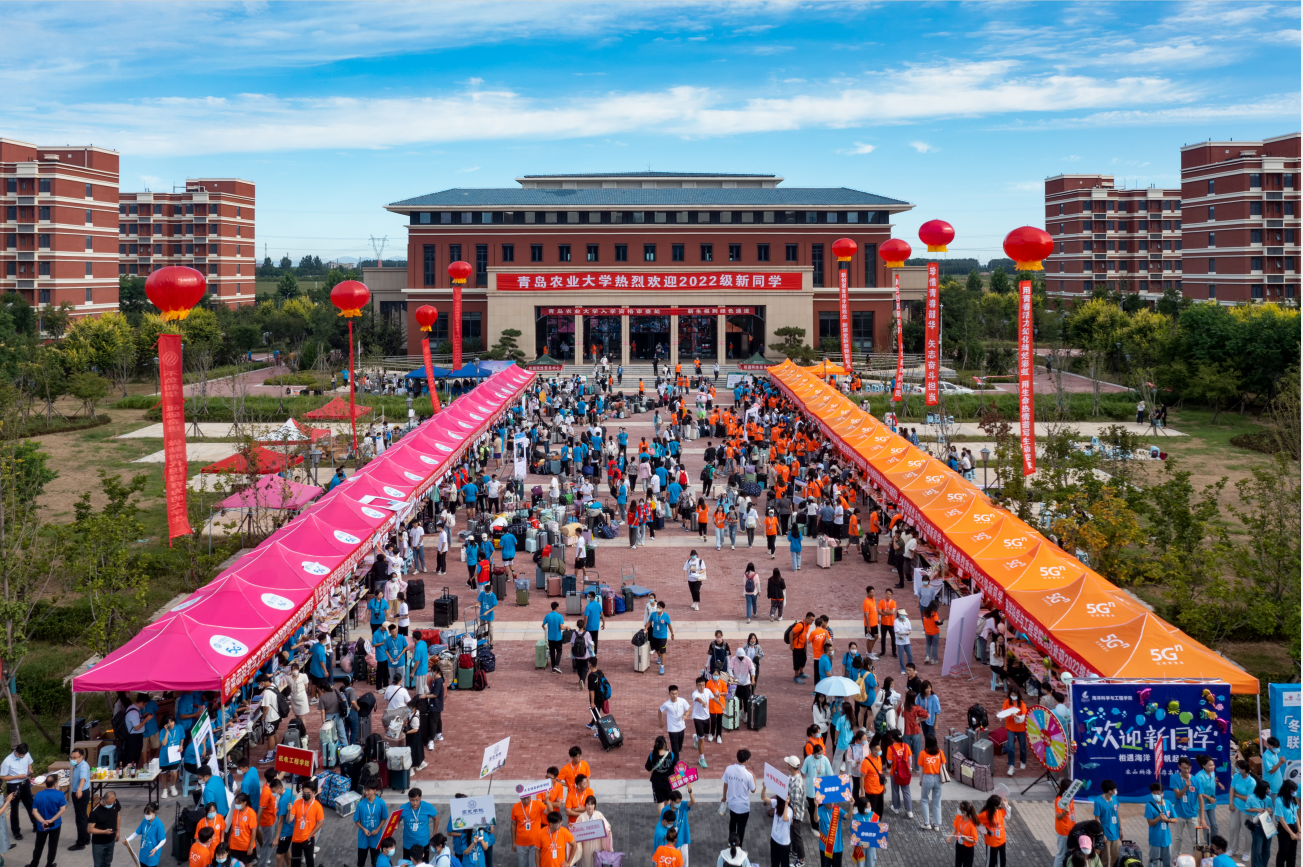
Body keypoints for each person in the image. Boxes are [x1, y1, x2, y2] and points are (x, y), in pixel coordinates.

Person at [29, 774, 66, 867]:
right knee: (53, 846)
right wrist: (51, 820)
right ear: (56, 784)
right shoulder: (60, 794)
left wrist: (43, 821)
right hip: (55, 824)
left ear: (46, 783)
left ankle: (34, 864)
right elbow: (62, 810)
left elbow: (34, 811)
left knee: (38, 845)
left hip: (41, 826)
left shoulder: (38, 795)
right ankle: (49, 864)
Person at [721, 751, 756, 848]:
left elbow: (725, 784)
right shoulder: (748, 775)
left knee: (732, 823)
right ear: (746, 761)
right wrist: (754, 777)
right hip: (743, 807)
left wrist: (724, 797)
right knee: (741, 828)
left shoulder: (729, 769)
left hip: (732, 804)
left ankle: (731, 842)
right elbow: (753, 790)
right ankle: (738, 847)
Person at [1171, 756, 1200, 857]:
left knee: (1196, 839)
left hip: (1192, 814)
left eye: (1188, 768)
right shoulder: (1174, 778)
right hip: (1179, 813)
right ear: (1179, 766)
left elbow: (1200, 798)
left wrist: (1202, 818)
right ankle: (1177, 857)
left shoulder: (1196, 780)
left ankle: (1196, 858)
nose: (1187, 770)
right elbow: (1178, 795)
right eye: (1184, 768)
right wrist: (1186, 786)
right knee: (1178, 838)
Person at [289, 786, 324, 867]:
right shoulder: (297, 803)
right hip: (296, 839)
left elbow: (320, 823)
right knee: (295, 863)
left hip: (308, 838)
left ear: (313, 793)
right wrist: (289, 811)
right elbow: (289, 820)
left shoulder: (317, 806)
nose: (306, 795)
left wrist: (311, 835)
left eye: (308, 793)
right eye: (304, 793)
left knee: (309, 861)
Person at [400, 789, 439, 863]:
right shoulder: (403, 808)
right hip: (408, 843)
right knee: (407, 863)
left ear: (421, 798)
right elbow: (397, 819)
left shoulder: (427, 807)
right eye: (412, 800)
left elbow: (436, 818)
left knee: (423, 863)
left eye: (417, 800)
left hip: (423, 842)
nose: (415, 802)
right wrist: (396, 824)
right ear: (409, 798)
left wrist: (434, 833)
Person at [1229, 761, 1257, 862]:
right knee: (1233, 828)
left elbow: (1248, 798)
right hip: (1235, 806)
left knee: (1246, 832)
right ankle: (1233, 849)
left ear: (1244, 770)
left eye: (1238, 767)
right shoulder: (1236, 776)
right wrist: (1231, 803)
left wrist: (1236, 795)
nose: (1236, 769)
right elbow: (1232, 789)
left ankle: (1246, 852)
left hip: (1247, 809)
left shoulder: (1252, 782)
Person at [918, 735, 947, 832]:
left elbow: (921, 770)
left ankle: (927, 823)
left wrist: (921, 780)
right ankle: (936, 824)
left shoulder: (923, 753)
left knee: (924, 799)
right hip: (938, 778)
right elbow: (943, 766)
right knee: (937, 801)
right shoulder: (940, 752)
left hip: (927, 778)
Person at [356, 783, 388, 867]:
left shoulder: (381, 803)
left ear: (374, 790)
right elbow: (356, 821)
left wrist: (377, 829)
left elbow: (384, 818)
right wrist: (363, 829)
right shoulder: (361, 804)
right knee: (361, 863)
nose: (366, 792)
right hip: (363, 839)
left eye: (368, 790)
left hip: (376, 838)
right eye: (365, 790)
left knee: (375, 863)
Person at [801, 745, 833, 832]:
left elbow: (830, 774)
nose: (821, 755)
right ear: (814, 753)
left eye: (822, 753)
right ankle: (814, 827)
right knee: (813, 809)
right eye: (819, 754)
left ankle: (822, 825)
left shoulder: (825, 759)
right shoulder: (808, 760)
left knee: (822, 809)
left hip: (822, 790)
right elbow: (802, 772)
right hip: (811, 790)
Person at [511, 790, 546, 867]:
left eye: (528, 798)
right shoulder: (515, 807)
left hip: (535, 842)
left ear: (530, 796)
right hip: (521, 843)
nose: (526, 800)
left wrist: (547, 800)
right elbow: (513, 824)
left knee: (533, 865)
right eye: (524, 798)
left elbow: (549, 811)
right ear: (520, 798)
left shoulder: (538, 804)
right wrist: (513, 842)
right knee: (522, 865)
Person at [88, 788, 122, 867]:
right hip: (99, 843)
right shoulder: (95, 812)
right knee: (99, 864)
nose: (111, 805)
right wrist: (104, 832)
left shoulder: (115, 803)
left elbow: (118, 816)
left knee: (108, 863)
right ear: (103, 800)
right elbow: (89, 829)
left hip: (111, 840)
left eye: (112, 803)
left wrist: (118, 831)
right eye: (109, 803)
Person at [1146, 781, 1176, 867]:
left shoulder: (1168, 803)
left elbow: (1175, 819)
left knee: (1167, 861)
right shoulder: (1149, 805)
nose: (1156, 795)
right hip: (1155, 838)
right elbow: (1150, 823)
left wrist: (1167, 819)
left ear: (1163, 793)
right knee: (1153, 861)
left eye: (1158, 793)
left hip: (1166, 838)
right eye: (1154, 793)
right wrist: (1158, 818)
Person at [1091, 780, 1121, 867]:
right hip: (1106, 835)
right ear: (1110, 791)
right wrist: (1102, 834)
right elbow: (1097, 819)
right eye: (1114, 789)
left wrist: (1120, 829)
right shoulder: (1098, 801)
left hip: (1116, 833)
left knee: (1116, 856)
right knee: (1105, 859)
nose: (1116, 790)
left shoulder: (1115, 798)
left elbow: (1117, 813)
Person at [67, 746, 92, 850]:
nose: (73, 759)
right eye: (71, 757)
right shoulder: (78, 765)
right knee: (83, 816)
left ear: (81, 757)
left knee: (80, 819)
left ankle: (80, 843)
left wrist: (79, 789)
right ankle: (86, 838)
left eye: (75, 758)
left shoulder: (83, 766)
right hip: (80, 792)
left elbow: (83, 778)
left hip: (80, 794)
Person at [814, 789, 846, 867]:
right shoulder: (820, 810)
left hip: (837, 847)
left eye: (832, 802)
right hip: (825, 846)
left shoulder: (838, 810)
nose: (831, 804)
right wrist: (816, 806)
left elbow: (849, 816)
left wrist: (851, 805)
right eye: (829, 802)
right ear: (824, 802)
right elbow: (816, 819)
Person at [884, 734, 912, 819]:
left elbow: (889, 762)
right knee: (906, 791)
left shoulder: (890, 748)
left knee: (895, 790)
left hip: (894, 772)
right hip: (905, 772)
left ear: (893, 738)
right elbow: (910, 759)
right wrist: (909, 767)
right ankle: (909, 811)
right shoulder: (906, 746)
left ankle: (896, 808)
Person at [764, 786, 794, 867]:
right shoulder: (776, 803)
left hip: (784, 843)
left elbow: (785, 818)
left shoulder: (789, 810)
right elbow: (764, 798)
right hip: (774, 839)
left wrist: (786, 804)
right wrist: (764, 788)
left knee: (785, 864)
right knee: (774, 864)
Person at [660, 686, 692, 762]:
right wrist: (660, 721)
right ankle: (676, 764)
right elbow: (659, 710)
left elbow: (688, 710)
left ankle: (670, 755)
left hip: (681, 727)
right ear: (669, 694)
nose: (674, 696)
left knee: (679, 747)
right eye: (673, 694)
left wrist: (686, 715)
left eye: (676, 693)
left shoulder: (682, 701)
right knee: (675, 749)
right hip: (672, 729)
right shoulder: (667, 704)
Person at [1000, 689, 1028, 777]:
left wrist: (1017, 717)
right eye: (1012, 694)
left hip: (1021, 729)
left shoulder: (1022, 704)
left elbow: (1024, 716)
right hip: (1010, 728)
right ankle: (1011, 765)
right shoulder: (1007, 701)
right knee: (1010, 747)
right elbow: (1003, 711)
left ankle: (1023, 760)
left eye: (1015, 695)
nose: (1013, 696)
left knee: (1022, 746)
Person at [977, 794, 1009, 867]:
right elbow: (975, 821)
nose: (1000, 806)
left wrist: (1007, 806)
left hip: (1002, 840)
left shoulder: (999, 810)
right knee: (991, 862)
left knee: (1002, 861)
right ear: (994, 806)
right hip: (992, 842)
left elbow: (1007, 817)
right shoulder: (985, 814)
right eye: (999, 805)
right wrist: (983, 830)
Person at [132, 802, 168, 867]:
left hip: (152, 855)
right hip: (143, 854)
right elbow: (137, 833)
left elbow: (163, 839)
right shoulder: (144, 821)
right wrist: (127, 840)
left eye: (148, 814)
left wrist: (156, 848)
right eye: (146, 813)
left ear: (155, 812)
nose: (146, 815)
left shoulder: (159, 824)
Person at [229, 792, 259, 866]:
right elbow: (233, 827)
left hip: (246, 846)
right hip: (234, 845)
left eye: (238, 803)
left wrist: (250, 847)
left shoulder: (251, 813)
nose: (237, 805)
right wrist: (229, 840)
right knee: (236, 864)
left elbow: (254, 832)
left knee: (248, 864)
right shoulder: (235, 811)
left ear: (245, 803)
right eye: (236, 803)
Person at [646, 601, 675, 676]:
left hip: (663, 637)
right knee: (656, 649)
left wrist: (672, 634)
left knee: (662, 651)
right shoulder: (653, 614)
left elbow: (669, 626)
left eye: (660, 608)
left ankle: (662, 666)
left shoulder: (666, 616)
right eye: (657, 607)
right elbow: (649, 622)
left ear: (663, 608)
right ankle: (659, 656)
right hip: (655, 636)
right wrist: (646, 628)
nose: (658, 609)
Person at [1275, 781, 1298, 867]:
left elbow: (1296, 815)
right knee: (1283, 852)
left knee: (1292, 854)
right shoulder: (1279, 801)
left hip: (1294, 827)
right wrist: (1291, 833)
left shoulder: (1292, 799)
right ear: (1287, 789)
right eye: (1293, 790)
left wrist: (1299, 831)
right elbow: (1281, 819)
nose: (1294, 792)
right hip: (1284, 829)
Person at [951, 801, 980, 867]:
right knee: (958, 863)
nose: (958, 810)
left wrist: (966, 839)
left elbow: (975, 840)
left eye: (960, 809)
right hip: (959, 845)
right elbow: (955, 829)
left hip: (968, 848)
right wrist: (950, 837)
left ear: (965, 812)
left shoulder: (971, 825)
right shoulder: (958, 817)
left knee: (967, 864)